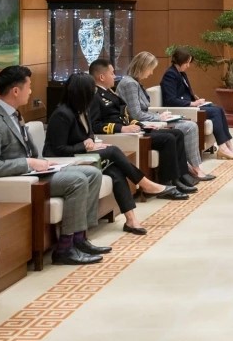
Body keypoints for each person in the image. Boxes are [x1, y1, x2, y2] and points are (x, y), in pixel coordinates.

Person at [0, 65, 108, 265]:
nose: (30, 91)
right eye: (28, 86)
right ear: (16, 91)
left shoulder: (14, 114)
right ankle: (65, 249)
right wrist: (29, 163)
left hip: (35, 172)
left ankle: (80, 238)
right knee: (78, 180)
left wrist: (43, 163)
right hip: (19, 180)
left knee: (93, 173)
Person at [44, 74, 187, 236]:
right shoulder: (62, 114)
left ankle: (131, 220)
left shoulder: (81, 111)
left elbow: (89, 134)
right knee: (112, 151)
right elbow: (57, 150)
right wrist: (83, 146)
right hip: (64, 161)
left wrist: (91, 143)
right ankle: (145, 183)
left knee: (116, 171)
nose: (94, 93)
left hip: (82, 155)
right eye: (91, 90)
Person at [89, 58, 202, 194]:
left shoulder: (109, 93)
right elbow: (95, 125)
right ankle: (168, 181)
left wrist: (141, 125)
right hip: (122, 134)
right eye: (112, 73)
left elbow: (126, 115)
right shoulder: (94, 96)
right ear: (102, 77)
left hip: (132, 130)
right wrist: (122, 128)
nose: (114, 76)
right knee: (168, 138)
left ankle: (180, 176)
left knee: (176, 133)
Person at [123, 51, 232, 167]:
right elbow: (137, 114)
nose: (151, 73)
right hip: (148, 121)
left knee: (216, 109)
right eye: (150, 69)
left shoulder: (136, 83)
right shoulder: (132, 84)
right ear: (143, 67)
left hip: (152, 118)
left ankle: (198, 164)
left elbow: (142, 110)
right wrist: (159, 117)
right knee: (190, 126)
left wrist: (195, 100)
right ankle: (195, 167)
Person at [161, 48, 233, 156]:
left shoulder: (181, 73)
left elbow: (184, 93)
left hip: (189, 105)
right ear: (180, 61)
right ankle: (222, 147)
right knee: (215, 112)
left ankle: (228, 144)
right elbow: (170, 100)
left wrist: (195, 99)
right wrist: (192, 103)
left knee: (219, 109)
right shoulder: (170, 75)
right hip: (182, 109)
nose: (188, 65)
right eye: (187, 62)